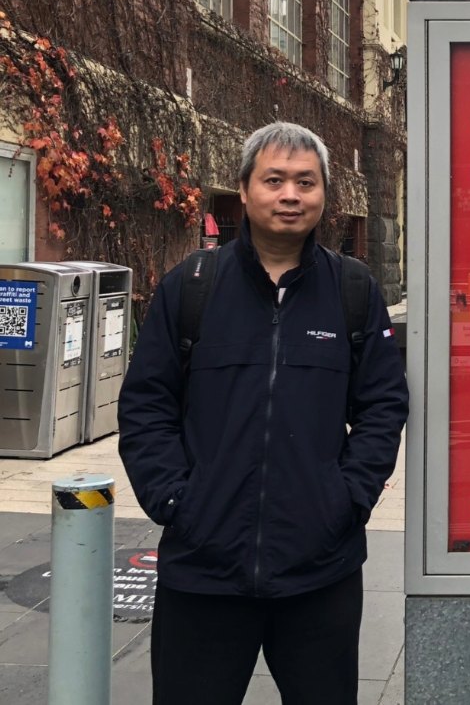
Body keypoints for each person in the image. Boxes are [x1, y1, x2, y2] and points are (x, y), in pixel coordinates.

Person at [118, 122, 409, 705]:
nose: (290, 195)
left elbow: (383, 404)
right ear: (245, 189)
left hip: (318, 570)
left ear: (324, 193)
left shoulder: (352, 290)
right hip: (203, 567)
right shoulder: (192, 286)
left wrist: (348, 498)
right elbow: (147, 403)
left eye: (306, 181)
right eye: (274, 180)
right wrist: (176, 501)